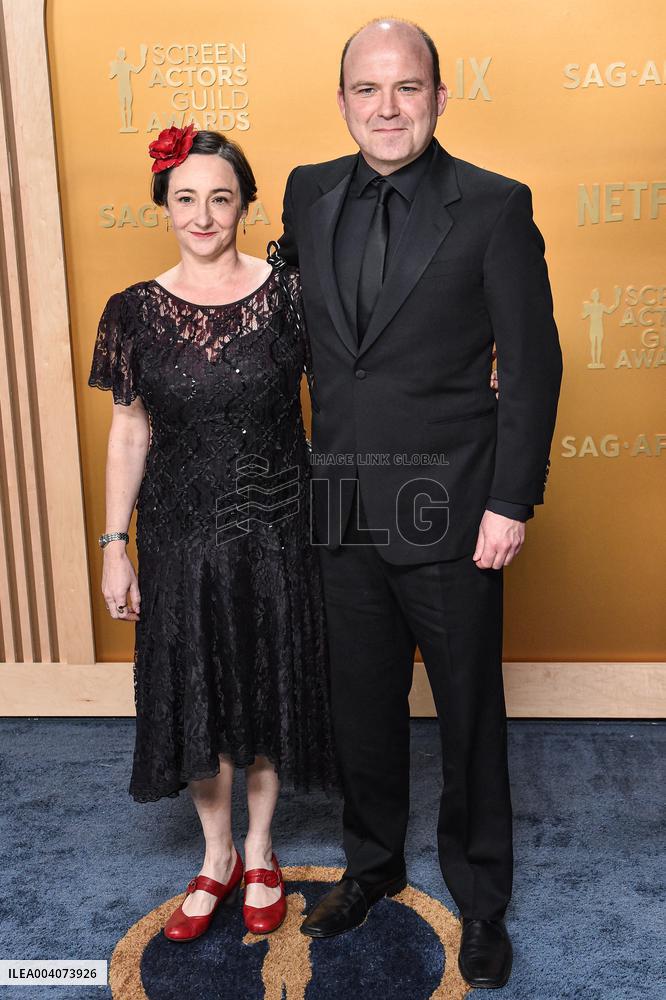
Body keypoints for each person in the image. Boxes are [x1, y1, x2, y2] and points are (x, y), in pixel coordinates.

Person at [275, 17, 563, 990]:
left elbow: (532, 367)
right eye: (367, 89)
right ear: (344, 98)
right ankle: (372, 863)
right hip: (340, 504)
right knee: (360, 706)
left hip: (453, 505)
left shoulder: (492, 207)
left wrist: (510, 500)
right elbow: (287, 326)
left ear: (440, 96)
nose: (386, 107)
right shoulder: (309, 193)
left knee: (471, 713)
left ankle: (482, 901)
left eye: (407, 88)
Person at [87, 125, 337, 941]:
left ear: (244, 205)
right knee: (200, 697)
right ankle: (218, 854)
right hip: (180, 534)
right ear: (164, 205)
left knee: (264, 690)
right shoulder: (132, 312)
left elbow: (356, 379)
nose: (202, 215)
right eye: (185, 198)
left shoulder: (290, 295)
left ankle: (262, 850)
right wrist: (113, 544)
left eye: (220, 198)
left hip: (276, 528)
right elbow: (129, 433)